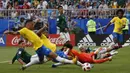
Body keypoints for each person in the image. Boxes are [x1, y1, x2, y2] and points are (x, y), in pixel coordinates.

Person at [4, 19, 77, 70]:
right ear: (28, 25)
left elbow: (30, 33)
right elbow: (15, 33)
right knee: (55, 55)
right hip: (41, 47)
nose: (33, 26)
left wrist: (36, 21)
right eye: (32, 24)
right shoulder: (24, 30)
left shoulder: (29, 31)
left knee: (41, 61)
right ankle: (71, 61)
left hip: (37, 49)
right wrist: (9, 32)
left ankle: (25, 66)